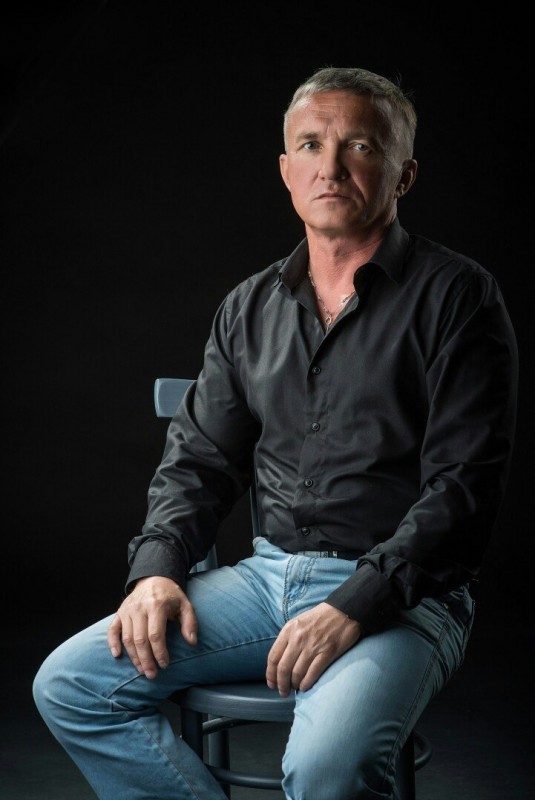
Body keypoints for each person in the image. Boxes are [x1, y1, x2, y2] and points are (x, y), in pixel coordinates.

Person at [33, 66, 518, 799]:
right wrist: (158, 569)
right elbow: (198, 462)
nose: (331, 167)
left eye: (359, 146)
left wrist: (354, 604)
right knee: (71, 685)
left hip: (405, 596)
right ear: (286, 170)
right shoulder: (248, 308)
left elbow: (463, 490)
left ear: (404, 174)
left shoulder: (458, 297)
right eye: (311, 145)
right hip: (263, 583)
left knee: (326, 767)